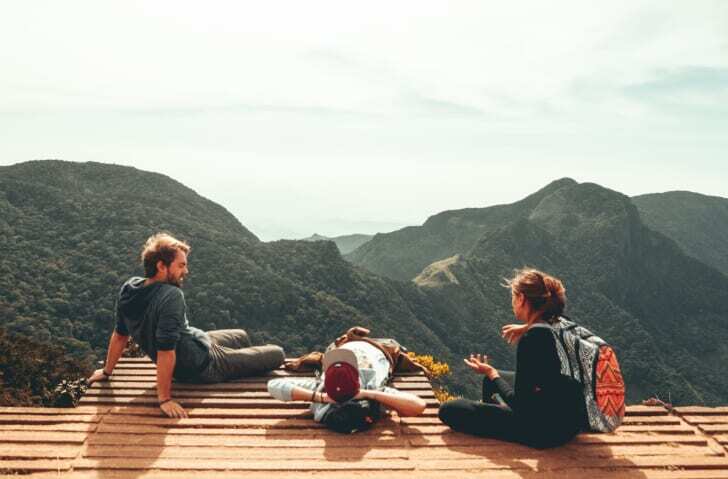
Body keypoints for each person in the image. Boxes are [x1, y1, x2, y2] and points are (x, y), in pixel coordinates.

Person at [88, 233, 285, 418]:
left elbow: (120, 334)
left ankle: (242, 359)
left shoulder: (129, 288)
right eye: (181, 266)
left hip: (196, 341)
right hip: (202, 365)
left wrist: (107, 371)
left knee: (240, 335)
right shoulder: (171, 296)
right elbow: (166, 351)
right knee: (277, 353)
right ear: (161, 266)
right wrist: (164, 399)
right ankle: (239, 362)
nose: (186, 271)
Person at [438, 268, 589, 448]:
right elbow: (548, 325)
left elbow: (521, 406)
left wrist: (492, 373)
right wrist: (527, 325)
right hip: (570, 422)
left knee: (449, 410)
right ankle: (499, 417)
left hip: (545, 433)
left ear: (522, 299)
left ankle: (502, 425)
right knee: (490, 381)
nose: (512, 302)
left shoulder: (531, 341)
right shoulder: (562, 325)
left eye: (513, 297)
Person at [268, 327, 427, 432]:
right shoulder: (371, 389)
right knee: (392, 343)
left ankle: (348, 338)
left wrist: (319, 396)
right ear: (358, 379)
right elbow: (419, 406)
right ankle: (351, 337)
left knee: (338, 343)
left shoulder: (322, 390)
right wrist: (369, 394)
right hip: (379, 348)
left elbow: (273, 385)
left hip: (341, 347)